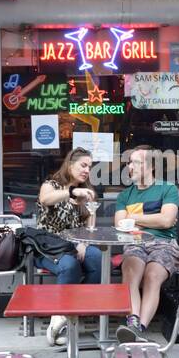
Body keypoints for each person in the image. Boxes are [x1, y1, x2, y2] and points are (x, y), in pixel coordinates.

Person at [36, 147, 104, 346]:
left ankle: (67, 314)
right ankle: (60, 318)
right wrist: (72, 192)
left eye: (89, 167)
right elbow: (45, 199)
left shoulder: (88, 192)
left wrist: (84, 243)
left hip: (75, 245)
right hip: (48, 246)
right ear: (70, 164)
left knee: (98, 259)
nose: (86, 171)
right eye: (83, 165)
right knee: (70, 265)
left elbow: (91, 225)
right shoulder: (51, 185)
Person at [114, 145, 179, 342]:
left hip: (164, 243)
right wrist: (153, 218)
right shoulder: (124, 195)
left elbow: (166, 221)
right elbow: (119, 223)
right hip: (135, 242)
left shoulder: (168, 189)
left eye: (136, 162)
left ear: (151, 166)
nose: (130, 167)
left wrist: (132, 217)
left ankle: (139, 329)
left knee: (152, 276)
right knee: (131, 272)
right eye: (129, 163)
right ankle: (133, 324)